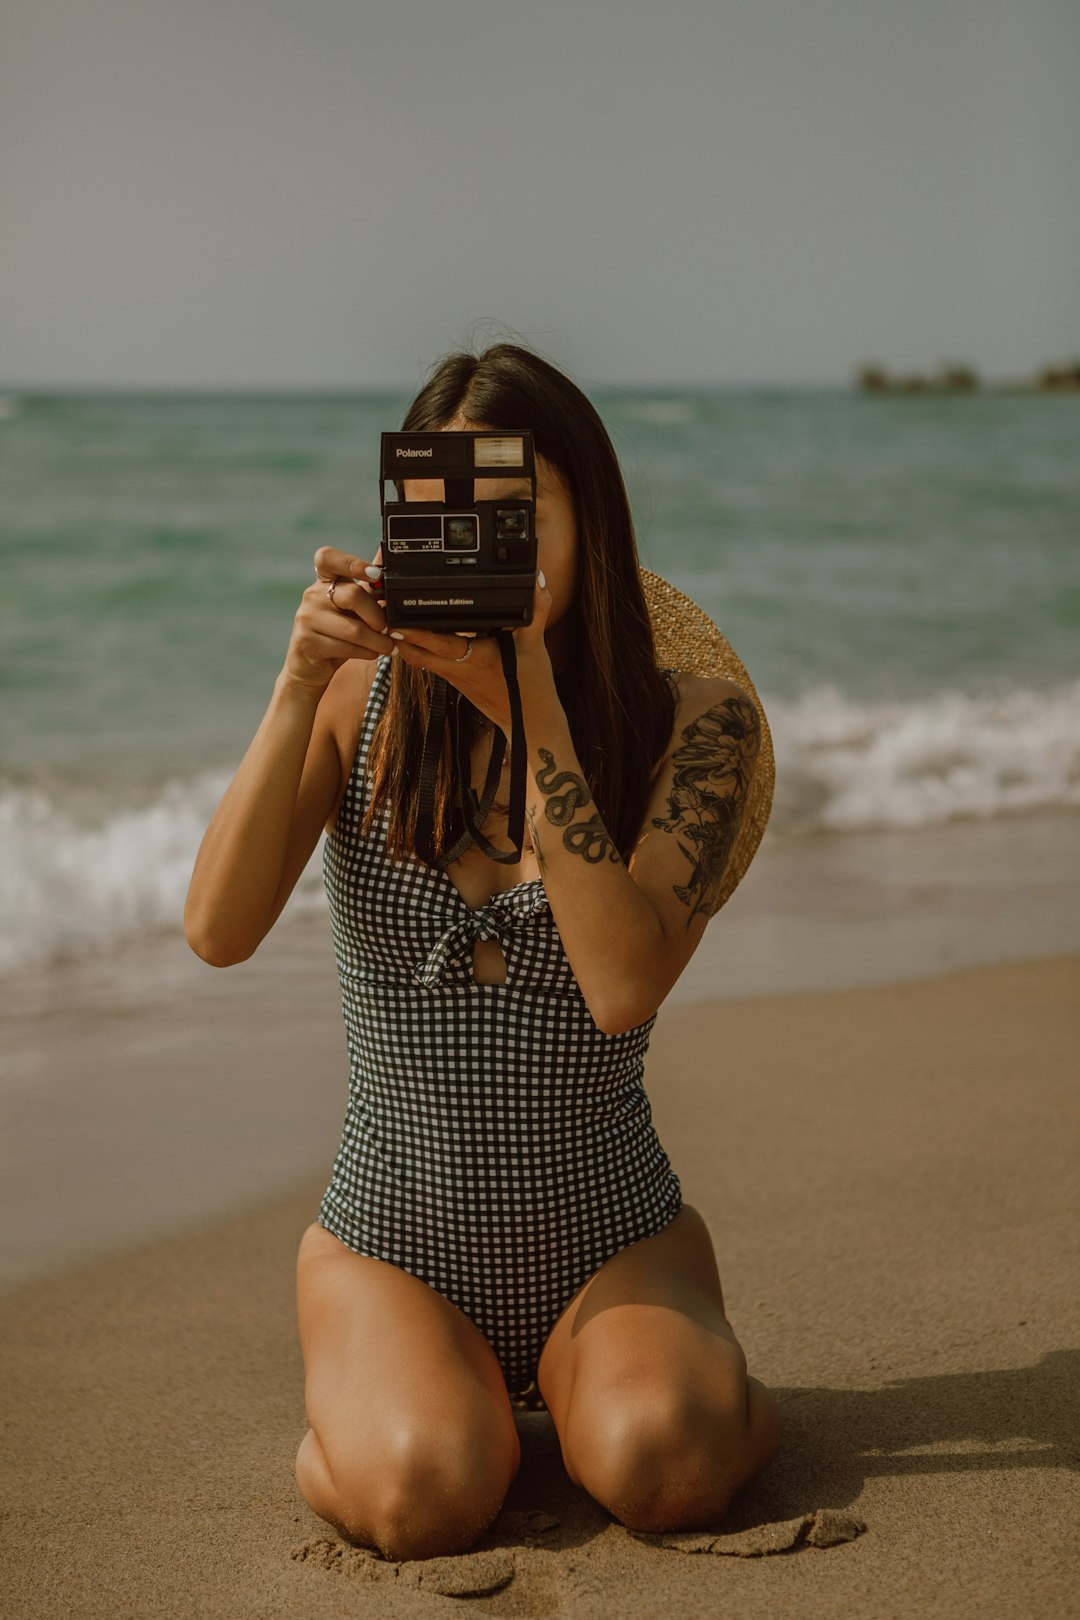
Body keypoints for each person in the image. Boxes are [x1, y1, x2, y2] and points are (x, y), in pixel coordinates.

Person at [184, 342, 783, 1563]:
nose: (484, 543)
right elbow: (218, 930)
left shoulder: (691, 725)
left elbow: (620, 988)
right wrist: (299, 682)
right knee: (424, 1498)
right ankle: (392, 1408)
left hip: (606, 1235)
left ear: (590, 521)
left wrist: (533, 709)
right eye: (444, 512)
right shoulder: (362, 706)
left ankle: (631, 1382)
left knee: (664, 1469)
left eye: (517, 512)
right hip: (392, 1239)